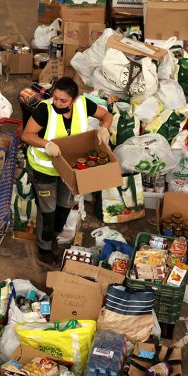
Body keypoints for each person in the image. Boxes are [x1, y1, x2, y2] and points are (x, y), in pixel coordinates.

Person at [21, 76, 114, 266]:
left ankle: (52, 238)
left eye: (63, 100)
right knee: (48, 211)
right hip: (43, 169)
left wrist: (104, 129)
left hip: (69, 169)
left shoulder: (83, 104)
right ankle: (44, 249)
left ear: (73, 99)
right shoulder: (44, 110)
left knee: (63, 209)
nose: (57, 103)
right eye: (55, 97)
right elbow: (27, 135)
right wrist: (46, 143)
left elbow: (106, 116)